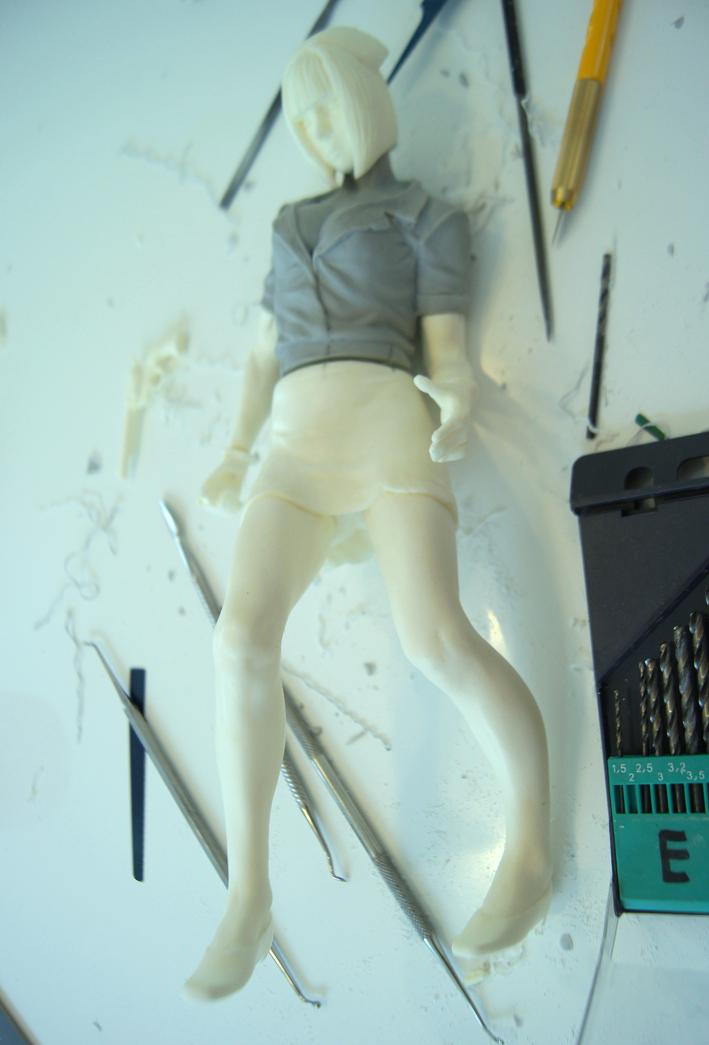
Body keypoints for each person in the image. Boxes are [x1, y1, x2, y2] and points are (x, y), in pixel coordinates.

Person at [184, 26, 551, 1002]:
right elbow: (262, 352)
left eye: (325, 111)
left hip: (388, 419)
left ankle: (528, 843)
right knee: (238, 637)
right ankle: (249, 891)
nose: (313, 133)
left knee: (435, 637)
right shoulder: (289, 223)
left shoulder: (424, 216)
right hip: (294, 437)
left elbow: (446, 348)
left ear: (363, 104)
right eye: (299, 121)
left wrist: (455, 401)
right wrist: (234, 449)